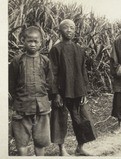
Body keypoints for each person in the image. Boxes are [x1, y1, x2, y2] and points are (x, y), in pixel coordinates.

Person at [49, 19, 97, 156]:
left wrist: (84, 92)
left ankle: (80, 147)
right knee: (59, 120)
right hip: (62, 92)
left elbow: (83, 72)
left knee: (83, 118)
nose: (69, 30)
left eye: (72, 28)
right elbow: (52, 74)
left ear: (75, 31)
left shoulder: (79, 49)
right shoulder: (56, 49)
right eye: (66, 28)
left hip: (77, 90)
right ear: (60, 31)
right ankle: (61, 149)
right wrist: (55, 94)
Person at [9, 26, 52, 156]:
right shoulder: (18, 61)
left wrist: (47, 98)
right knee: (22, 141)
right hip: (22, 106)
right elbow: (11, 83)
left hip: (42, 107)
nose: (33, 44)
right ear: (23, 41)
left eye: (36, 41)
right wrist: (17, 101)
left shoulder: (45, 61)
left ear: (41, 43)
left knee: (41, 140)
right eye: (30, 41)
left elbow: (49, 83)